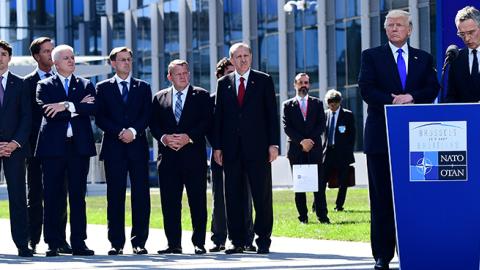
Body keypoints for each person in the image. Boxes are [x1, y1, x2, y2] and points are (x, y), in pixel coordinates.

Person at [358, 10, 439, 270]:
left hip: (416, 141)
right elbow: (366, 89)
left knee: (416, 197)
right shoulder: (371, 57)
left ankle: (416, 249)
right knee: (381, 199)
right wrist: (394, 100)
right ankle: (382, 255)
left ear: (410, 29)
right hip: (381, 139)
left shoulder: (423, 59)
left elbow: (432, 88)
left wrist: (411, 97)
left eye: (399, 25)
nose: (394, 29)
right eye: (390, 25)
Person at [212, 42, 280, 254]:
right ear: (231, 60)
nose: (242, 59)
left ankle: (263, 239)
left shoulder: (264, 80)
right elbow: (218, 118)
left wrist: (273, 144)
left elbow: (271, 114)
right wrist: (217, 147)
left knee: (261, 196)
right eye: (238, 56)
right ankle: (237, 240)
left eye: (246, 55)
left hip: (258, 149)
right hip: (231, 150)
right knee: (232, 195)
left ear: (251, 57)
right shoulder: (224, 83)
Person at [36, 44, 97, 257]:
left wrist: (66, 106)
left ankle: (79, 243)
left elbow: (92, 108)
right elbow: (48, 112)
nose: (71, 60)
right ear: (55, 62)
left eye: (72, 57)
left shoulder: (86, 84)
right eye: (66, 58)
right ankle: (54, 242)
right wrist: (75, 106)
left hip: (78, 149)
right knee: (53, 196)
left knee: (78, 197)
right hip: (53, 150)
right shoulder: (44, 85)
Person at [150, 59, 211, 255]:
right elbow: (154, 124)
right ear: (169, 77)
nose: (183, 76)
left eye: (185, 73)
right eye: (178, 74)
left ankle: (199, 243)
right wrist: (164, 138)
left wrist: (189, 137)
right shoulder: (159, 98)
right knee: (170, 203)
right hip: (168, 159)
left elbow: (207, 121)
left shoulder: (201, 95)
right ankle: (173, 243)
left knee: (198, 202)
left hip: (194, 158)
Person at [95, 47, 151, 255]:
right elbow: (100, 118)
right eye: (122, 60)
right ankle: (116, 243)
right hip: (114, 148)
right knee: (115, 196)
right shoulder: (102, 88)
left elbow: (147, 115)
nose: (126, 63)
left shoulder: (143, 87)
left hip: (137, 148)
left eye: (129, 59)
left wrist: (134, 131)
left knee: (141, 196)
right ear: (113, 63)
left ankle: (139, 242)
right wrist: (120, 132)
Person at [23, 37, 71, 255]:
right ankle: (33, 238)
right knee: (35, 195)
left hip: (60, 148)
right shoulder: (26, 82)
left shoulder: (62, 80)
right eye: (46, 51)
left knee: (60, 193)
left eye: (53, 51)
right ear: (36, 56)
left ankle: (59, 239)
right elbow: (26, 116)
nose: (51, 55)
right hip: (34, 148)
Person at [208, 57, 256, 252]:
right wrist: (219, 147)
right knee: (220, 198)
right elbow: (210, 128)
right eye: (228, 73)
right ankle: (219, 237)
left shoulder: (245, 96)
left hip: (244, 155)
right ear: (219, 76)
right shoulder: (211, 100)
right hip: (221, 154)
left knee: (246, 196)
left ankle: (247, 238)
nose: (232, 76)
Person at [0, 40, 33, 257]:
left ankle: (22, 243)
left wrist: (14, 143)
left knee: (18, 196)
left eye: (3, 54)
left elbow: (27, 117)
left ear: (9, 57)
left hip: (16, 148)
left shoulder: (20, 84)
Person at [282, 73, 329, 224]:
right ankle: (303, 217)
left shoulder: (317, 103)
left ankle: (322, 216)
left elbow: (321, 125)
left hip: (314, 149)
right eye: (300, 82)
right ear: (294, 85)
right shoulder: (287, 105)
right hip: (296, 150)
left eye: (306, 82)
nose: (304, 85)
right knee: (300, 186)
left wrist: (309, 141)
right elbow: (286, 127)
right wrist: (302, 141)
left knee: (319, 185)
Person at [323, 89, 355, 212]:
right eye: (330, 101)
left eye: (335, 101)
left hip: (342, 154)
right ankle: (318, 205)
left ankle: (339, 205)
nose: (333, 104)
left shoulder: (347, 114)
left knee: (343, 182)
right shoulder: (325, 115)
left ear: (340, 101)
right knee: (322, 181)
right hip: (328, 152)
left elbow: (352, 135)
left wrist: (347, 150)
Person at [446, 6, 480, 102]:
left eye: (471, 32)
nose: (467, 39)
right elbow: (450, 97)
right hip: (464, 116)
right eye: (462, 34)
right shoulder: (456, 58)